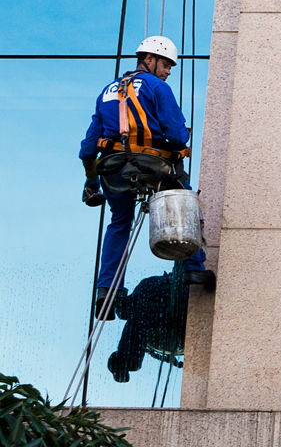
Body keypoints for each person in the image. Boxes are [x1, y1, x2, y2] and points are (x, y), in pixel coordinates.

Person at [80, 36, 213, 320]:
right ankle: (194, 269)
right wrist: (176, 146)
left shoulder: (107, 90)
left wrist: (91, 182)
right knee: (182, 200)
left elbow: (88, 148)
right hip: (154, 164)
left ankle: (107, 291)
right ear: (149, 60)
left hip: (113, 167)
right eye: (165, 64)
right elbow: (177, 135)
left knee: (119, 223)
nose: (167, 71)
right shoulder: (157, 87)